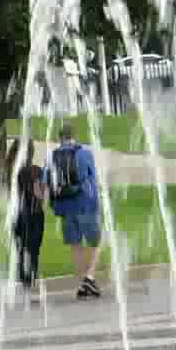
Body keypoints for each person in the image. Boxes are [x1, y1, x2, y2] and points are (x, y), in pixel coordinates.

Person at [48, 122, 103, 299]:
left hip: (65, 207)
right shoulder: (84, 153)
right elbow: (93, 179)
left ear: (60, 138)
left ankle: (82, 285)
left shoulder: (52, 156)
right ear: (73, 136)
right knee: (96, 242)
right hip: (85, 205)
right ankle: (89, 277)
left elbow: (47, 182)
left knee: (75, 246)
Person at [7, 139, 48, 292]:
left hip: (16, 215)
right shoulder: (35, 171)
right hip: (34, 214)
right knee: (33, 249)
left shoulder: (10, 171)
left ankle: (22, 278)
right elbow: (41, 194)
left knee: (20, 247)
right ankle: (29, 281)